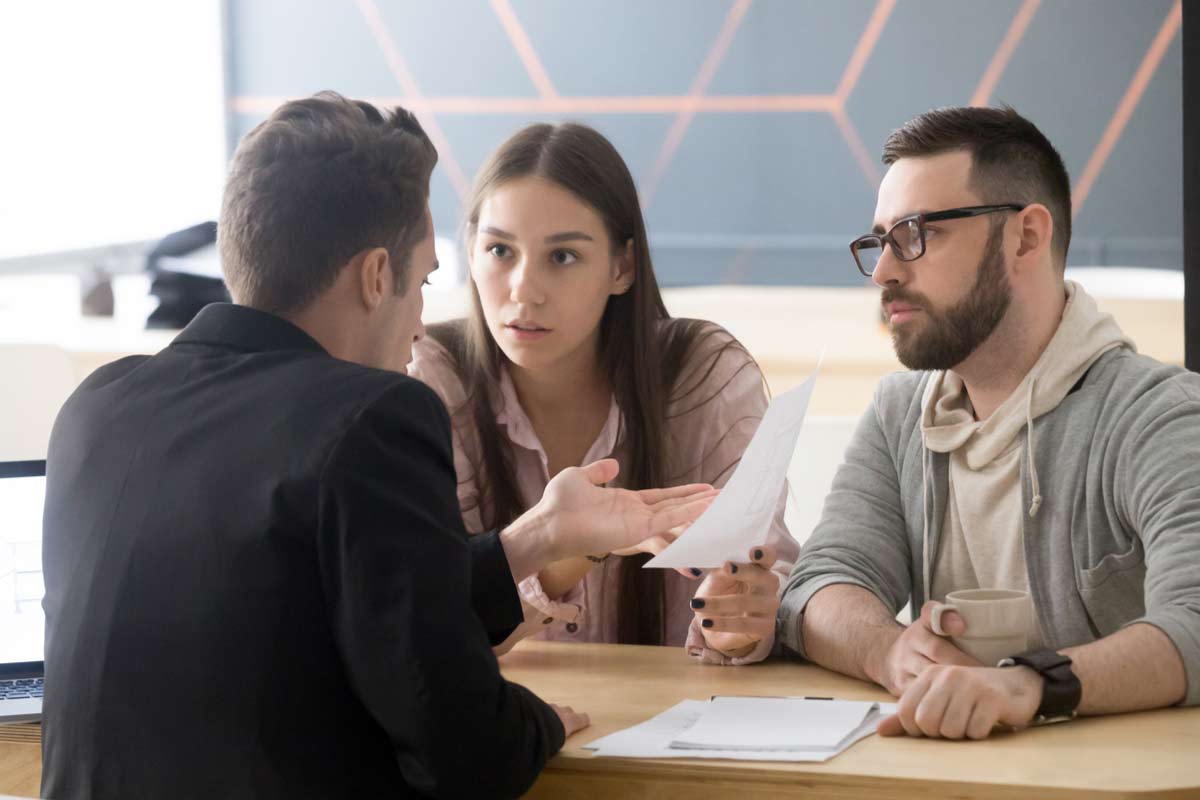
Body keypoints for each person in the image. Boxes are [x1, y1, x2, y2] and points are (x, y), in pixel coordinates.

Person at [40, 93, 714, 799]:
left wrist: (540, 536)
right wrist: (537, 721)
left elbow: (339, 611)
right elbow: (468, 754)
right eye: (421, 281)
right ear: (374, 277)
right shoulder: (371, 418)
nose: (423, 325)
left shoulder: (96, 408)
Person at [753, 105, 1198, 740]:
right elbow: (819, 585)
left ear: (1026, 237)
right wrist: (891, 651)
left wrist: (1029, 684)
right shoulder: (900, 413)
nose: (884, 270)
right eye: (880, 241)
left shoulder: (1160, 416)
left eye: (916, 233)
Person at [409, 122, 797, 661]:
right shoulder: (430, 379)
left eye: (562, 256)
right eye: (500, 251)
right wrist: (568, 548)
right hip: (505, 728)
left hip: (677, 725)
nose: (524, 290)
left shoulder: (705, 374)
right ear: (471, 254)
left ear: (622, 267)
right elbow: (426, 622)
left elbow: (766, 570)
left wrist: (741, 624)